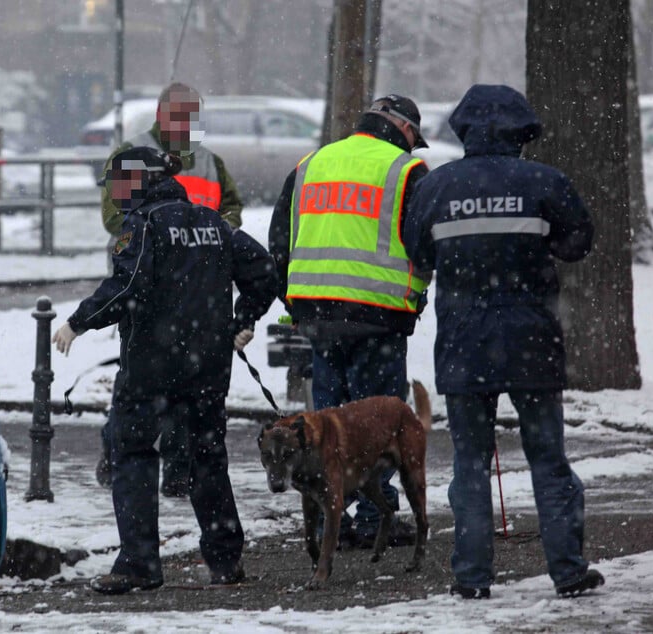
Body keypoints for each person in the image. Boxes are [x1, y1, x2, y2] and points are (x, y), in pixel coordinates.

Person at [402, 84, 601, 599]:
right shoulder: (544, 181)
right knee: (548, 458)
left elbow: (417, 254)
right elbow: (580, 239)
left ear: (465, 131)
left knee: (469, 462)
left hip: (464, 343)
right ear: (521, 133)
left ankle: (471, 578)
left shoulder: (437, 187)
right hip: (532, 339)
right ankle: (568, 570)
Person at [53, 146, 276, 595]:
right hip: (208, 367)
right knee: (207, 457)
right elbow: (265, 270)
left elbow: (129, 284)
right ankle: (226, 558)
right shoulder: (213, 222)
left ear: (138, 181)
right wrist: (242, 320)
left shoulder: (145, 224)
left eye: (118, 186)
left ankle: (139, 564)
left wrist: (79, 321)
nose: (114, 196)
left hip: (152, 367)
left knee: (132, 452)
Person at [267, 94, 432, 548]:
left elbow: (279, 239)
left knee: (327, 426)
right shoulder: (405, 171)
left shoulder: (311, 164)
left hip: (318, 319)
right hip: (378, 317)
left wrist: (295, 302)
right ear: (404, 129)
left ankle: (326, 522)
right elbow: (424, 241)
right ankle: (371, 519)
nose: (414, 148)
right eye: (414, 139)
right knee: (376, 424)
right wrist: (414, 299)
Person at [95, 82, 245, 495]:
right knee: (139, 379)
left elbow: (232, 206)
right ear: (161, 114)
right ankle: (116, 448)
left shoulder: (208, 160)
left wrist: (217, 233)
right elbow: (114, 215)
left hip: (199, 289)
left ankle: (177, 472)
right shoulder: (131, 153)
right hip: (148, 288)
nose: (186, 124)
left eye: (192, 116)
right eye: (179, 115)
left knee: (189, 382)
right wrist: (166, 229)